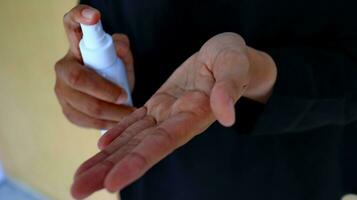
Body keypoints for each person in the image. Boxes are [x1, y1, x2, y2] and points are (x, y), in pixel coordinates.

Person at [54, 1, 357, 200]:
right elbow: (109, 15)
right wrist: (89, 73)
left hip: (286, 175)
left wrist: (258, 71)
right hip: (151, 164)